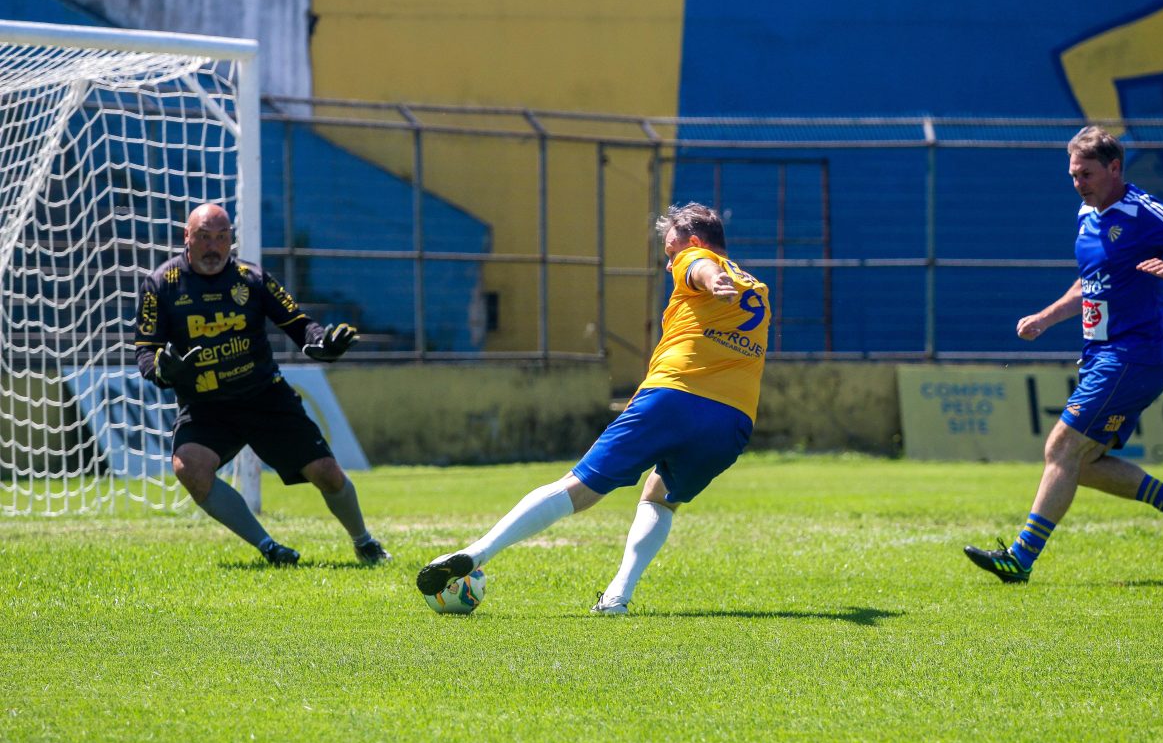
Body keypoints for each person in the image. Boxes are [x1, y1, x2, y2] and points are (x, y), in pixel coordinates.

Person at [417, 202, 770, 613]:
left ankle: (476, 553)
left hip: (673, 397)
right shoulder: (758, 288)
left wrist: (709, 279)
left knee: (578, 487)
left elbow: (699, 268)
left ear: (692, 240)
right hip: (732, 421)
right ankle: (618, 595)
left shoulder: (697, 260)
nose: (668, 258)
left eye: (670, 249)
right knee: (660, 498)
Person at [965, 126, 1163, 583]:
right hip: (1103, 356)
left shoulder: (1139, 209)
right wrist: (1047, 317)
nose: (1078, 183)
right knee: (1083, 464)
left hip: (1132, 355)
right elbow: (1089, 285)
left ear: (1115, 168)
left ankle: (1020, 558)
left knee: (1061, 448)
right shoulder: (1085, 214)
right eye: (1073, 175)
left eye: (1086, 174)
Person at [133, 203, 390, 566]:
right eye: (204, 237)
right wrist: (163, 369)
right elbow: (146, 350)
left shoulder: (251, 279)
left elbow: (299, 324)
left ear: (231, 241)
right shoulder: (162, 284)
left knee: (328, 476)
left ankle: (364, 542)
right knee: (188, 467)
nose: (213, 247)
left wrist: (322, 343)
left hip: (265, 397)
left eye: (221, 238)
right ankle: (269, 548)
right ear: (186, 238)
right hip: (207, 406)